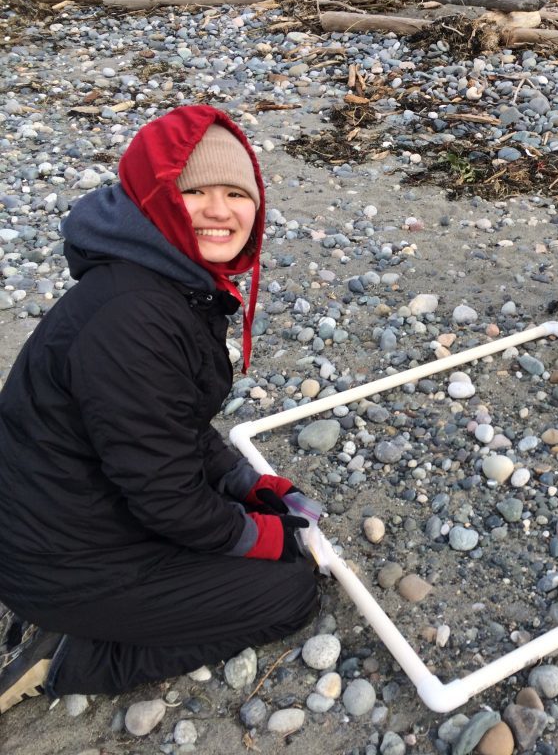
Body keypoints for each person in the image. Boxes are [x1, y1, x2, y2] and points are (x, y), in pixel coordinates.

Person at [0, 105, 320, 713]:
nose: (221, 210)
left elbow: (170, 425)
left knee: (236, 526)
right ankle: (73, 656)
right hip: (63, 560)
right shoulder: (135, 318)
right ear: (154, 198)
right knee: (291, 592)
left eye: (236, 192)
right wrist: (263, 537)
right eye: (194, 191)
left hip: (58, 515)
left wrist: (245, 482)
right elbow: (165, 496)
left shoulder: (166, 281)